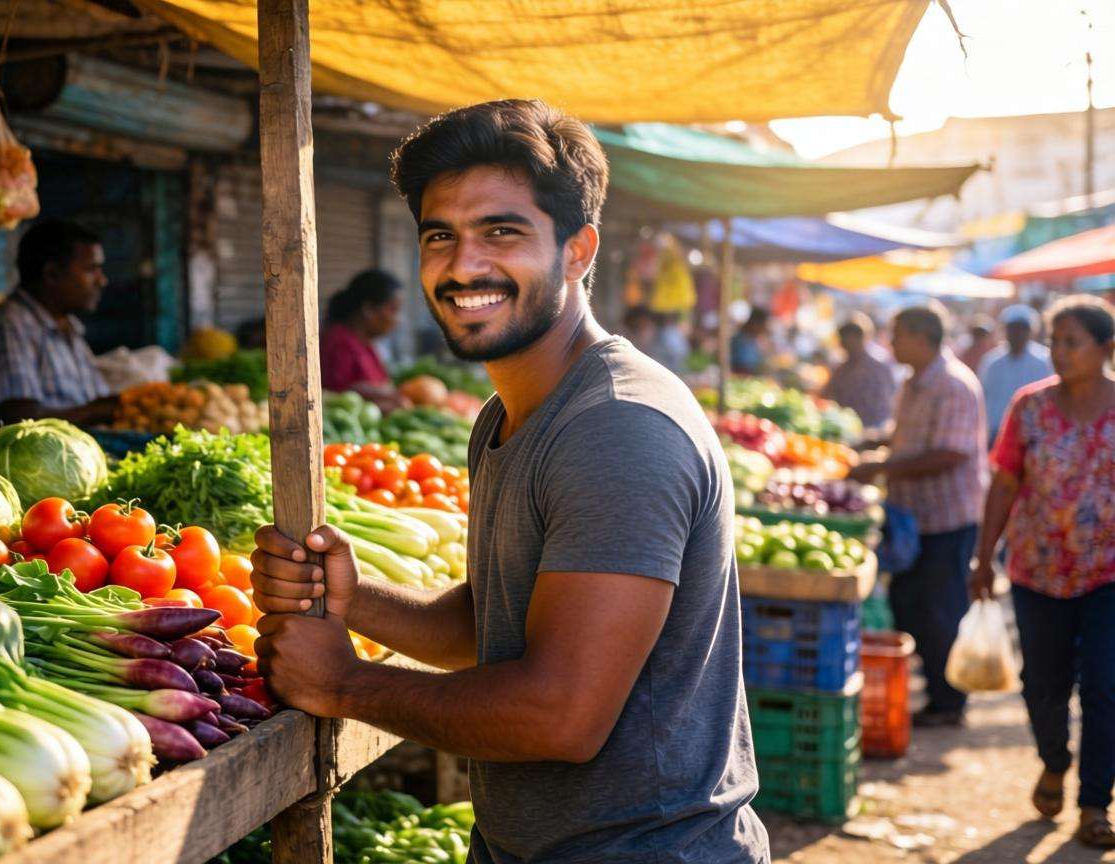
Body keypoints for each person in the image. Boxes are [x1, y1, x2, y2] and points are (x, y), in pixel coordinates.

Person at [250, 99, 769, 863]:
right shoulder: (508, 414)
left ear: (578, 250)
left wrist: (348, 686)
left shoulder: (617, 427)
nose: (464, 266)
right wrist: (353, 598)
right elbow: (493, 631)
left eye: (502, 231)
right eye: (440, 236)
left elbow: (560, 713)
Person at [971, 295, 1115, 849]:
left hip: (1107, 577)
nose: (1058, 351)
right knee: (1044, 685)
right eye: (1054, 340)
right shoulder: (1029, 407)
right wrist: (984, 559)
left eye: (1071, 341)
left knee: (1105, 688)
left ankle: (1096, 803)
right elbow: (1005, 483)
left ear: (1106, 349)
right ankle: (1054, 762)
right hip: (1037, 572)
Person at [850, 302, 987, 727]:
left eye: (898, 335)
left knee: (938, 609)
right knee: (908, 603)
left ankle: (949, 702)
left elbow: (949, 453)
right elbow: (909, 437)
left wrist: (882, 466)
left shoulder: (953, 386)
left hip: (947, 520)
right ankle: (936, 690)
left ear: (922, 337)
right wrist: (875, 445)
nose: (891, 343)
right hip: (913, 516)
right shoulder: (913, 382)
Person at [0, 220, 115, 425]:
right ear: (52, 274)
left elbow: (98, 402)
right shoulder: (7, 327)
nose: (101, 280)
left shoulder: (67, 327)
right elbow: (17, 420)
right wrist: (97, 412)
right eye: (91, 270)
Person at [320, 269, 410, 413]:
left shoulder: (365, 343)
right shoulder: (338, 342)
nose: (398, 320)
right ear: (368, 309)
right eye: (393, 310)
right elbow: (335, 396)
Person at [978, 304, 1053, 442]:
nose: (1017, 333)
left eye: (1022, 328)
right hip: (996, 434)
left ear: (1030, 331)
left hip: (1034, 434)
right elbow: (982, 395)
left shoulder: (1045, 361)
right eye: (1012, 328)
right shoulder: (991, 362)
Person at [821, 312, 898, 430]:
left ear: (861, 339)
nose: (845, 345)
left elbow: (890, 399)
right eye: (843, 341)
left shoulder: (878, 366)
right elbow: (827, 394)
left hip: (874, 428)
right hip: (847, 427)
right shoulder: (842, 368)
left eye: (848, 341)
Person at [731, 306, 770, 374]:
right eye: (762, 325)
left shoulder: (752, 338)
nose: (763, 329)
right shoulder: (740, 339)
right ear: (755, 323)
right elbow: (742, 364)